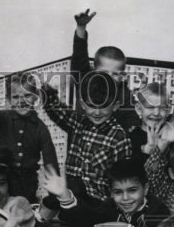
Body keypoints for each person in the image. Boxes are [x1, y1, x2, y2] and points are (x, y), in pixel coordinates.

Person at [41, 69, 132, 203]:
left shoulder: (119, 137)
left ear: (115, 106)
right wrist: (47, 90)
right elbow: (57, 110)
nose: (97, 112)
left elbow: (124, 177)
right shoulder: (79, 123)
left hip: (98, 202)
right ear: (83, 104)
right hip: (70, 194)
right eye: (91, 105)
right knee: (50, 201)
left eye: (103, 106)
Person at [42, 159, 168, 227]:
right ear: (111, 192)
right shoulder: (110, 206)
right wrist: (64, 196)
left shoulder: (158, 209)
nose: (125, 198)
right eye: (118, 192)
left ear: (145, 189)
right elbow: (86, 218)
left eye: (132, 190)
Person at [0, 70, 59, 200]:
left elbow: (50, 161)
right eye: (16, 97)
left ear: (36, 96)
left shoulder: (40, 128)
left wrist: (54, 196)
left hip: (27, 183)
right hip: (3, 180)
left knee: (24, 212)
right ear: (8, 99)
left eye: (27, 95)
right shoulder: (4, 118)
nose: (22, 101)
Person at [70, 8, 141, 132]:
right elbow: (79, 57)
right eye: (104, 72)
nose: (109, 77)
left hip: (108, 145)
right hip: (82, 143)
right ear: (94, 69)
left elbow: (132, 119)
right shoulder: (86, 81)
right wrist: (81, 27)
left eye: (115, 74)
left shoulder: (124, 94)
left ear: (122, 76)